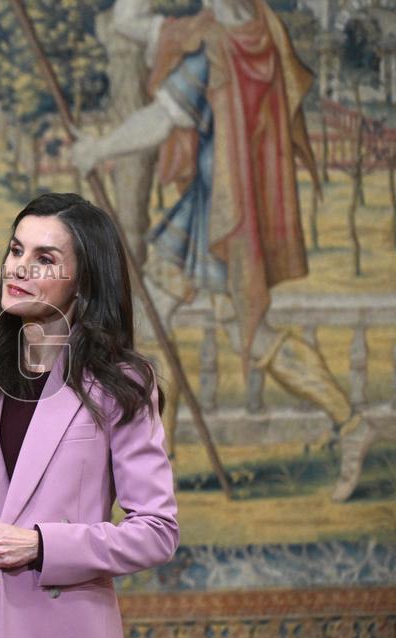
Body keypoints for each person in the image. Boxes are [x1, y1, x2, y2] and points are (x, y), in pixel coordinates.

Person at [71, 0, 375, 502]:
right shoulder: (259, 29)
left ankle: (350, 423)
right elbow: (132, 24)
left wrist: (97, 149)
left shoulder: (215, 47)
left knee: (237, 335)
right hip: (224, 211)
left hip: (221, 217)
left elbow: (160, 120)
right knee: (156, 324)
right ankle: (155, 465)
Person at [0, 193, 178, 638]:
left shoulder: (122, 385)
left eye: (44, 259)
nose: (19, 269)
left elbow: (156, 530)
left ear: (83, 281)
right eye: (16, 251)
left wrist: (41, 546)